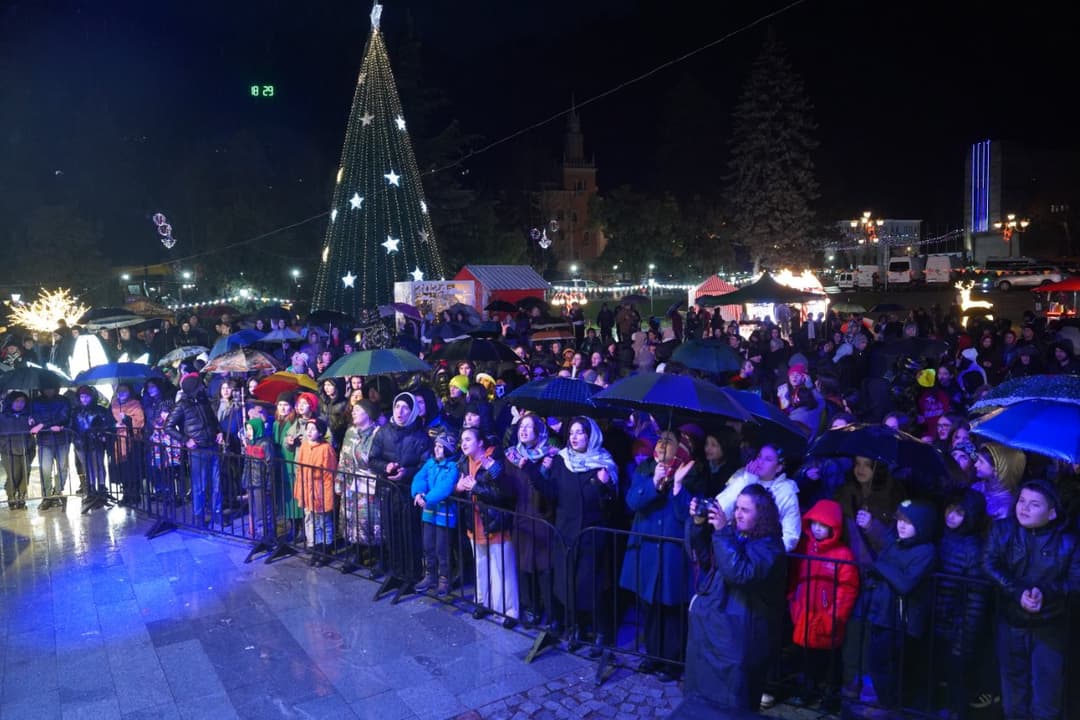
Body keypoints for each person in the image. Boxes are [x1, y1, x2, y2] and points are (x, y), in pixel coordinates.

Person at [680, 484, 787, 714]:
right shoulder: (738, 536)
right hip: (716, 629)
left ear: (762, 513)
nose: (737, 514)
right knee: (705, 695)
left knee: (732, 700)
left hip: (739, 638)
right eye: (736, 508)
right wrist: (699, 526)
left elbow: (740, 573)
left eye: (745, 510)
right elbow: (708, 559)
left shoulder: (771, 546)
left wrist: (721, 531)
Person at [983, 479, 1080, 720]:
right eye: (1022, 501)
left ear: (1052, 511)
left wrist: (1045, 593)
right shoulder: (1003, 529)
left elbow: (1075, 580)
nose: (1024, 508)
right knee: (1014, 694)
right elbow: (988, 562)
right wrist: (1017, 591)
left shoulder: (1069, 542)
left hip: (1050, 627)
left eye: (1034, 504)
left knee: (1046, 698)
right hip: (1011, 621)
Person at [619, 431, 697, 681]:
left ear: (680, 448)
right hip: (646, 550)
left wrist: (676, 486)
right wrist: (654, 482)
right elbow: (632, 502)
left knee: (672, 607)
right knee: (649, 605)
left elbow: (687, 515)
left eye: (669, 441)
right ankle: (653, 655)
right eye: (660, 439)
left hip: (672, 551)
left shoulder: (690, 472)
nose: (663, 444)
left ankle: (672, 661)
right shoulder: (645, 468)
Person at [536, 417, 619, 649]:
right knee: (567, 581)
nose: (573, 437)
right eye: (571, 432)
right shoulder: (563, 461)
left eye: (580, 432)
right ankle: (576, 628)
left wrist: (603, 485)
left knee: (593, 584)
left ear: (590, 436)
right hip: (566, 532)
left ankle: (602, 633)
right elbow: (550, 493)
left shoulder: (603, 464)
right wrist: (537, 471)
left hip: (592, 535)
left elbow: (611, 506)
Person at [862, 499, 938, 710]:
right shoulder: (895, 543)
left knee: (891, 668)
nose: (901, 525)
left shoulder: (926, 551)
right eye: (900, 520)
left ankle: (891, 708)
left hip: (899, 621)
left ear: (922, 525)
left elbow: (905, 583)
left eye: (908, 522)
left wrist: (880, 566)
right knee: (877, 664)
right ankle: (885, 704)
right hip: (880, 613)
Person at [788, 499, 860, 702]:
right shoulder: (806, 547)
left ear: (833, 528)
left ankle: (829, 697)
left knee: (829, 660)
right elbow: (796, 576)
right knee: (806, 657)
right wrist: (793, 601)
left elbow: (847, 588)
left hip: (826, 616)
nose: (817, 529)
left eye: (823, 525)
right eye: (814, 524)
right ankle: (807, 692)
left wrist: (834, 616)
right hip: (804, 613)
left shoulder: (843, 554)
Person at [934, 488, 992, 719]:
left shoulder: (974, 548)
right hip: (942, 620)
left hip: (959, 626)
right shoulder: (945, 537)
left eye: (959, 512)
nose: (951, 516)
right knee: (943, 674)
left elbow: (976, 598)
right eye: (950, 509)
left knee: (957, 676)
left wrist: (964, 635)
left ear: (971, 515)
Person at [456, 427, 518, 624]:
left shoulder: (494, 461)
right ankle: (483, 603)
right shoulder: (463, 463)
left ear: (480, 442)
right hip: (474, 523)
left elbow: (504, 495)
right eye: (462, 440)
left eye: (468, 439)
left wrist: (476, 488)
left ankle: (509, 611)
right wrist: (458, 489)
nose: (463, 443)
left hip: (494, 522)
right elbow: (460, 488)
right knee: (480, 567)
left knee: (502, 569)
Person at [503, 413, 558, 628]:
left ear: (539, 431)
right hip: (522, 517)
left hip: (543, 518)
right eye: (521, 427)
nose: (523, 431)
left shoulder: (551, 456)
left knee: (545, 567)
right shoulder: (511, 456)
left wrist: (541, 468)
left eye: (529, 427)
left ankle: (552, 613)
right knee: (524, 566)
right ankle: (530, 608)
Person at [715, 443, 801, 552]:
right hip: (731, 547)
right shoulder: (743, 477)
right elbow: (720, 510)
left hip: (762, 555)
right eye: (759, 456)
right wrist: (746, 480)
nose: (761, 461)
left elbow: (791, 536)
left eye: (768, 459)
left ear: (779, 467)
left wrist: (767, 554)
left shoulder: (786, 491)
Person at [166, 374, 223, 527]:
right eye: (199, 385)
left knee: (217, 483)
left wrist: (219, 432)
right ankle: (199, 516)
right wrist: (185, 440)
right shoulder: (182, 405)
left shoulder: (204, 401)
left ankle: (217, 514)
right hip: (198, 450)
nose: (203, 387)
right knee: (200, 485)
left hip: (212, 446)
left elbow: (213, 420)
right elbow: (168, 426)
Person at [410, 431, 459, 595]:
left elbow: (445, 487)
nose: (437, 449)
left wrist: (427, 498)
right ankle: (430, 575)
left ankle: (444, 578)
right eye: (436, 446)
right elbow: (420, 478)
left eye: (441, 447)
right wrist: (418, 492)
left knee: (442, 548)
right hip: (429, 512)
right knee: (428, 545)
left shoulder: (452, 466)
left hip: (445, 514)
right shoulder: (430, 463)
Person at [337, 400, 382, 573]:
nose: (353, 413)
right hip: (350, 485)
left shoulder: (378, 434)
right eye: (353, 410)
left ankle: (379, 557)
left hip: (370, 485)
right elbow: (343, 457)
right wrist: (339, 481)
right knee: (351, 519)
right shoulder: (350, 432)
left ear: (368, 414)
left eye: (358, 410)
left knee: (373, 522)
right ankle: (356, 554)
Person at [294, 417, 338, 566]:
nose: (309, 432)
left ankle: (326, 548)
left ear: (320, 432)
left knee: (323, 521)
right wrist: (299, 489)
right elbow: (300, 469)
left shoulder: (326, 449)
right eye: (308, 429)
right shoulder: (305, 446)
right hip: (307, 487)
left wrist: (327, 496)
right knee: (311, 519)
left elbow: (329, 475)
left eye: (313, 429)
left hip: (320, 489)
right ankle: (316, 548)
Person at [29, 385, 72, 510]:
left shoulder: (63, 400)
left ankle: (57, 492)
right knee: (45, 469)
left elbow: (64, 417)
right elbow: (35, 419)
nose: (49, 389)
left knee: (62, 468)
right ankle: (47, 496)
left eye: (51, 387)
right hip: (44, 441)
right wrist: (40, 424)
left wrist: (42, 424)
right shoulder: (35, 402)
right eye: (46, 387)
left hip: (62, 439)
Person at [111, 382, 146, 506]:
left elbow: (139, 421)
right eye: (120, 391)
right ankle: (126, 494)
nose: (122, 393)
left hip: (133, 440)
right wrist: (114, 425)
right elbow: (109, 421)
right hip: (119, 442)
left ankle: (135, 494)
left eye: (125, 391)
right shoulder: (114, 405)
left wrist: (126, 420)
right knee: (123, 469)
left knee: (133, 469)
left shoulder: (135, 405)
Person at [241, 417, 275, 541]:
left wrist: (269, 485)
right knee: (253, 509)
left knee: (263, 511)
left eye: (250, 429)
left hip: (260, 483)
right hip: (251, 481)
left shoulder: (265, 444)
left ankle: (266, 536)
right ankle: (258, 535)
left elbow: (270, 466)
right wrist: (245, 480)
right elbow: (246, 463)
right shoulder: (250, 443)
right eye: (247, 429)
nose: (248, 432)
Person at [972, 442, 1025, 520]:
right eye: (977, 460)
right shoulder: (977, 487)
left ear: (998, 469)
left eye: (981, 462)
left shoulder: (1005, 506)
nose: (975, 465)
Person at [0, 391, 35, 510]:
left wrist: (33, 424)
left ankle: (21, 497)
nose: (20, 404)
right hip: (8, 451)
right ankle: (11, 496)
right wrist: (3, 445)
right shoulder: (2, 417)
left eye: (23, 401)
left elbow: (34, 430)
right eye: (17, 401)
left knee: (25, 474)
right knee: (14, 475)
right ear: (11, 402)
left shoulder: (29, 416)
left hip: (26, 449)